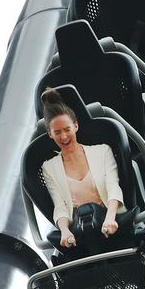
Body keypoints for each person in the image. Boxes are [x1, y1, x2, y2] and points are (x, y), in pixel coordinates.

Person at [40, 88, 126, 249]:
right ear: (50, 134)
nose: (64, 137)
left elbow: (113, 187)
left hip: (111, 219)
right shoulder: (49, 167)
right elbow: (60, 206)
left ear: (76, 126)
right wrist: (65, 231)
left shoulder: (102, 151)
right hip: (81, 231)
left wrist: (110, 217)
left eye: (67, 129)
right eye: (57, 132)